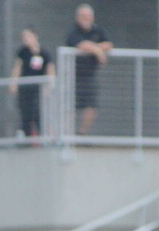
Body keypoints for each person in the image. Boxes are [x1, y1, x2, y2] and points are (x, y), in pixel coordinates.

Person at [65, 4, 113, 136]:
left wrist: (96, 48)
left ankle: (82, 133)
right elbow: (80, 44)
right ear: (77, 18)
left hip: (90, 76)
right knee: (70, 107)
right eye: (83, 16)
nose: (85, 19)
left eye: (88, 16)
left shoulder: (98, 31)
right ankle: (67, 134)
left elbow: (108, 44)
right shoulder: (73, 32)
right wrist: (97, 50)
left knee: (91, 106)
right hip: (73, 76)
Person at [9, 27, 53, 138]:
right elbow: (17, 68)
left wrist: (49, 86)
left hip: (38, 88)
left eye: (28, 36)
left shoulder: (44, 53)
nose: (26, 39)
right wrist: (14, 83)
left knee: (38, 112)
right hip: (25, 88)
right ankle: (27, 136)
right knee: (25, 112)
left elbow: (50, 69)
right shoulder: (23, 52)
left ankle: (42, 136)